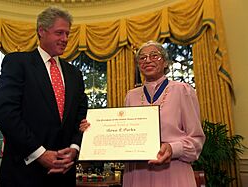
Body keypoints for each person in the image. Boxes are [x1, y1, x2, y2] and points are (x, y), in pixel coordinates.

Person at [80, 41, 205, 187]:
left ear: (165, 63)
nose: (148, 60)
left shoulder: (182, 90)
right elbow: (123, 134)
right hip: (136, 174)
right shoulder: (131, 96)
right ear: (139, 65)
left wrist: (173, 148)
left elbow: (196, 140)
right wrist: (93, 130)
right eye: (142, 58)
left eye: (154, 56)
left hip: (172, 171)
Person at [0, 6, 88, 187]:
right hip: (23, 174)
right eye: (59, 33)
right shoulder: (17, 63)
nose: (65, 39)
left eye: (67, 34)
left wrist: (74, 148)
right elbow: (5, 113)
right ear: (42, 31)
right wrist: (39, 153)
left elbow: (81, 116)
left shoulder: (74, 73)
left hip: (64, 173)